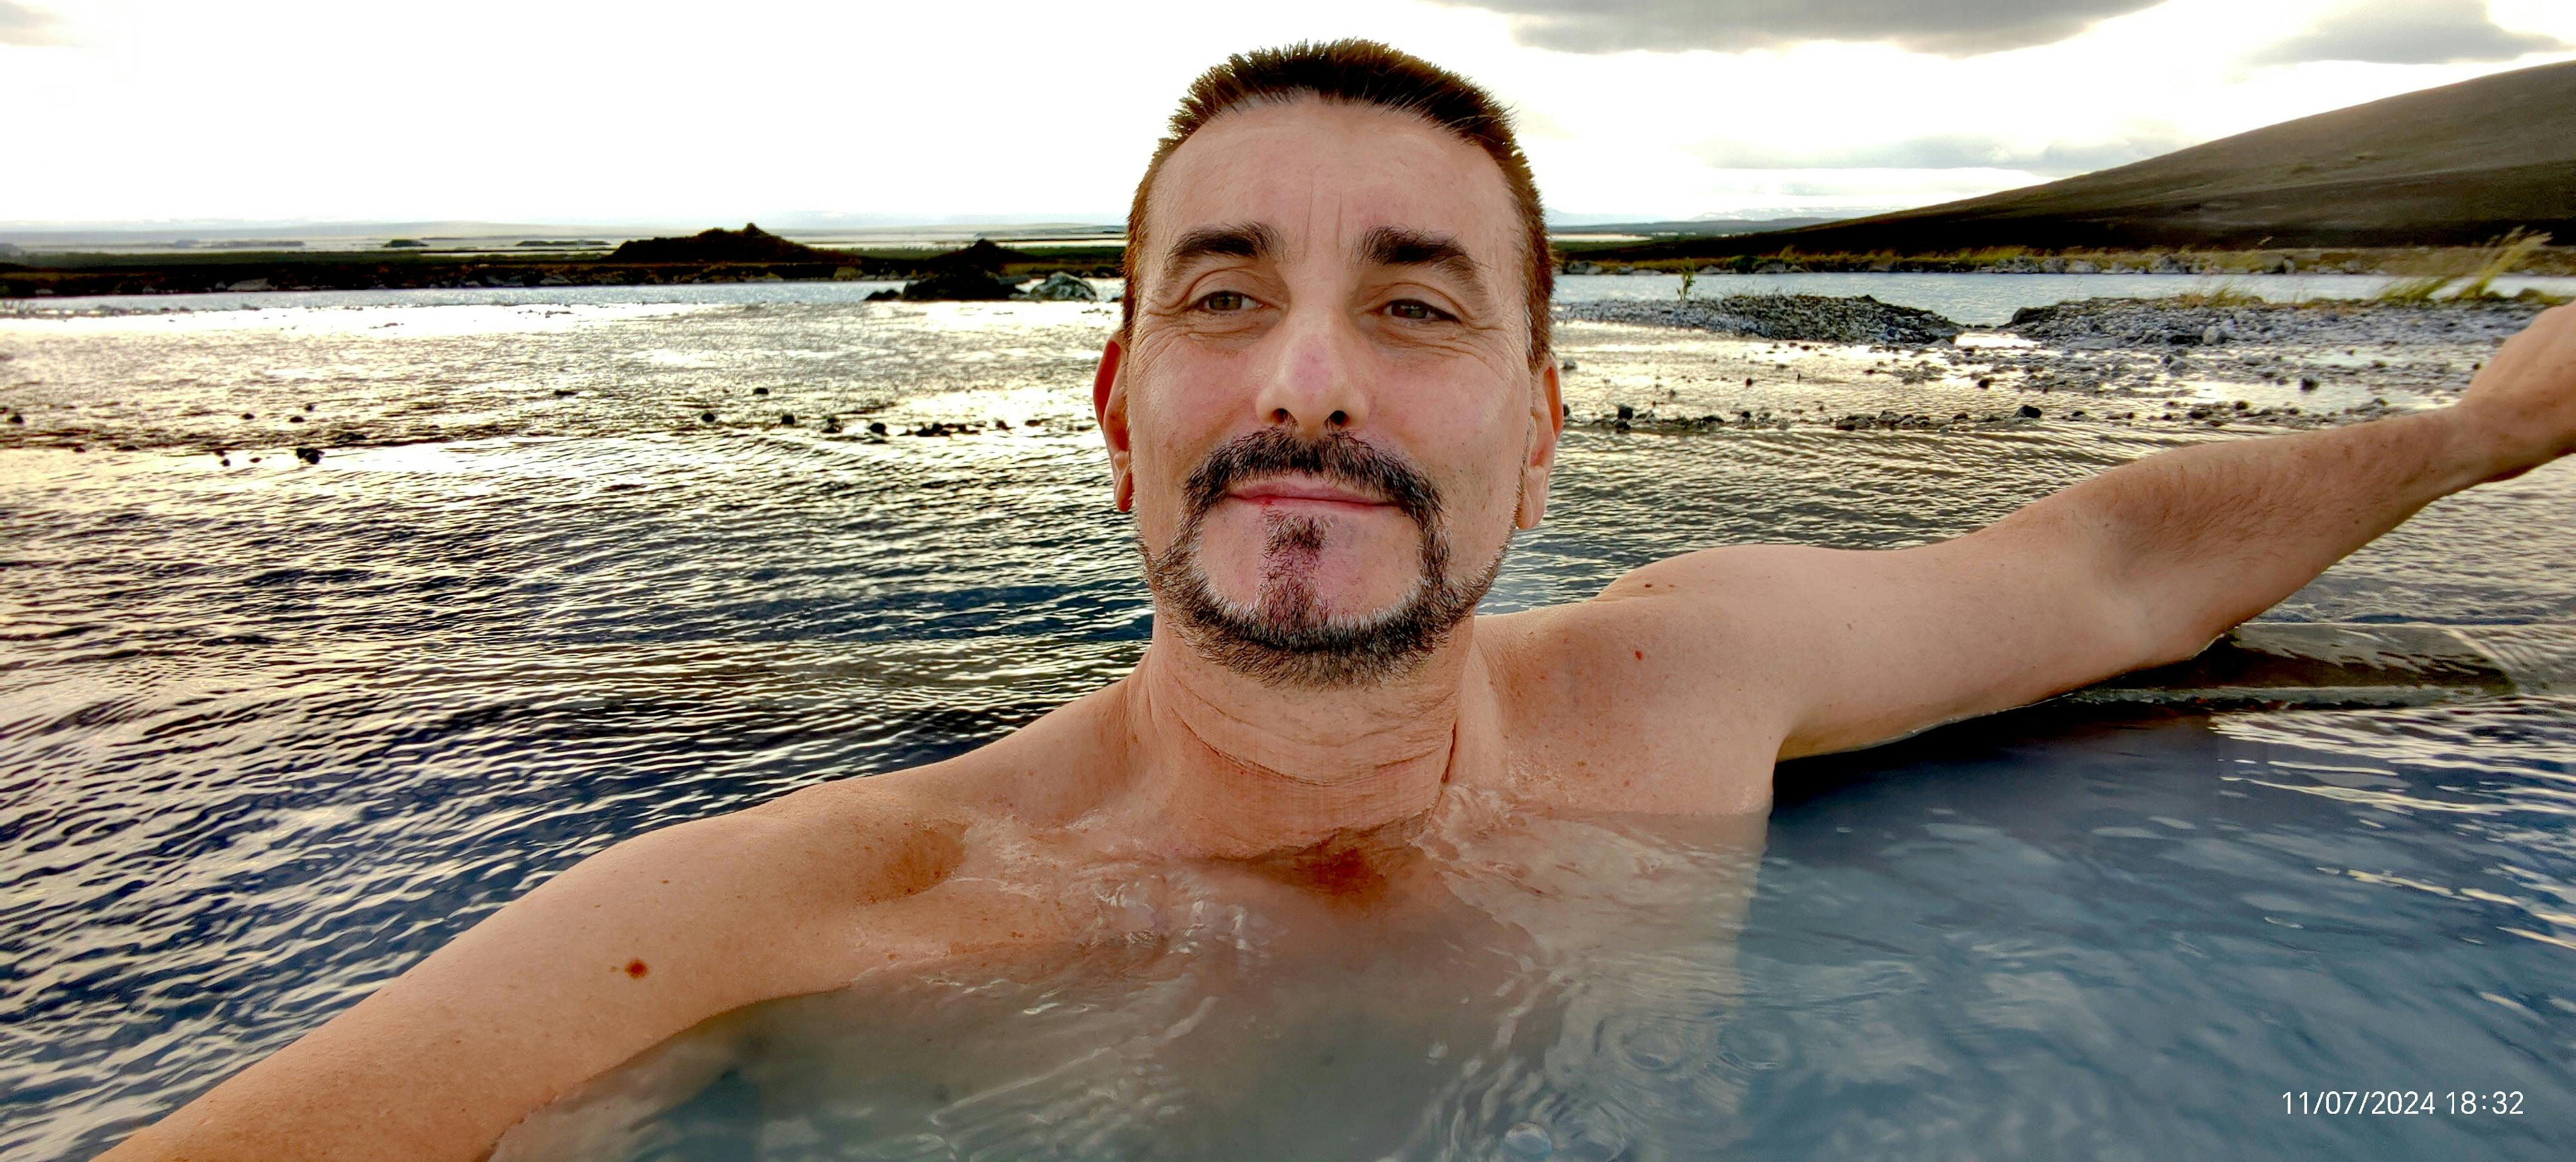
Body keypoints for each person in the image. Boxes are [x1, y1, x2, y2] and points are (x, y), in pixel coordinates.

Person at [110, 39, 2576, 1161]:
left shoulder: (1687, 685)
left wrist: (2485, 431)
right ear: (1118, 409)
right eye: (1223, 299)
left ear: (1540, 423)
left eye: (1412, 301)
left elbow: (2102, 561)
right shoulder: (806, 908)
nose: (1307, 377)